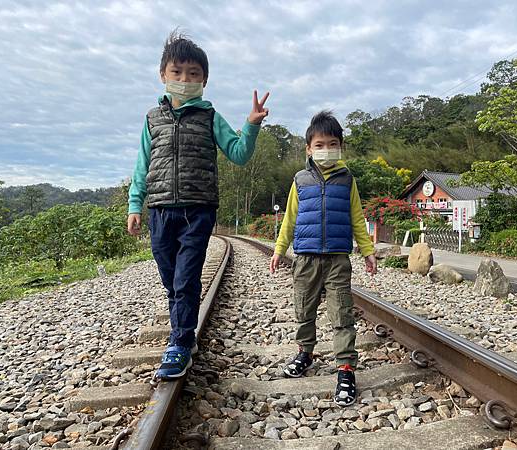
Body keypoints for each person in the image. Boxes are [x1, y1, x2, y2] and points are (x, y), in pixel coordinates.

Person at [127, 30, 269, 380]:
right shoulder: (151, 118)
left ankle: (179, 342)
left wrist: (250, 126)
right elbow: (142, 164)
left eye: (193, 74)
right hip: (159, 209)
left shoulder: (209, 116)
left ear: (204, 80)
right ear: (163, 75)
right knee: (169, 277)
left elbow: (238, 154)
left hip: (198, 209)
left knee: (186, 277)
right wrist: (135, 205)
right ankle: (183, 329)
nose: (184, 80)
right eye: (177, 73)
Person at [269, 111, 377, 406]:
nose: (325, 149)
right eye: (319, 144)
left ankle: (345, 369)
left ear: (341, 146)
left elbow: (357, 217)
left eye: (332, 143)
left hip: (337, 259)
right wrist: (280, 250)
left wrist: (367, 251)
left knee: (342, 313)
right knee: (304, 310)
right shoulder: (300, 180)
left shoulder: (347, 180)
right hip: (304, 259)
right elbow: (289, 219)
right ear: (308, 148)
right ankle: (305, 352)